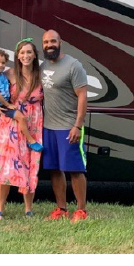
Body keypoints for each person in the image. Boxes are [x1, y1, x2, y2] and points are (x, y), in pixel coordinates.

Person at [0, 38, 45, 220]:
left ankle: (28, 209)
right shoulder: (8, 74)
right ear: (17, 55)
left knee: (30, 164)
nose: (26, 56)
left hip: (34, 123)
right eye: (22, 53)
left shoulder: (41, 75)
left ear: (34, 55)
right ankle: (0, 209)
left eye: (29, 52)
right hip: (10, 124)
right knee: (5, 165)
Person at [39, 29, 90, 223]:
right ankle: (61, 208)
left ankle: (81, 210)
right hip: (49, 127)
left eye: (53, 41)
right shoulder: (43, 66)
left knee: (75, 169)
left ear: (60, 42)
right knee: (54, 169)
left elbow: (83, 96)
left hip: (69, 126)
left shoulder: (73, 65)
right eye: (45, 42)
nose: (49, 45)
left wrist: (77, 125)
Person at [0, 48, 43, 152]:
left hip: (34, 118)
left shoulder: (2, 74)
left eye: (3, 63)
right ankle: (31, 141)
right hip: (4, 105)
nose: (1, 65)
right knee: (21, 117)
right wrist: (6, 105)